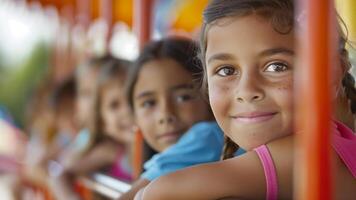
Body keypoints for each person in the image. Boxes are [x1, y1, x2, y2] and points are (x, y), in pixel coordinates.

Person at [135, 0, 356, 199]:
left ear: (331, 74)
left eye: (276, 66)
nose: (247, 90)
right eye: (226, 70)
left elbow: (159, 193)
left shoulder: (309, 153)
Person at [118, 37, 243, 200]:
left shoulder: (206, 136)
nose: (165, 115)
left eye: (183, 97)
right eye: (149, 103)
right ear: (134, 114)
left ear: (210, 95)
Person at [51, 55, 134, 200]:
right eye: (114, 105)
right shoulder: (110, 151)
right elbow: (62, 173)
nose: (127, 111)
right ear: (102, 120)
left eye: (132, 99)